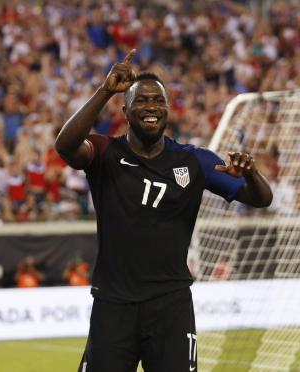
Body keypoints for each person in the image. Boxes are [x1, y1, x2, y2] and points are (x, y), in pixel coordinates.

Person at [55, 49, 272, 372]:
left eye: (158, 101)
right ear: (126, 111)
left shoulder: (193, 160)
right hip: (114, 305)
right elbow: (65, 146)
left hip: (170, 305)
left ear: (168, 110)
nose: (151, 108)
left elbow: (261, 198)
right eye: (141, 101)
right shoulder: (105, 153)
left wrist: (251, 173)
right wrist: (105, 91)